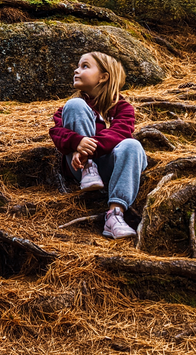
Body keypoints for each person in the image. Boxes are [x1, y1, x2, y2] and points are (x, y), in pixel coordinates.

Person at [49, 51, 147, 240]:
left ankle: (115, 215)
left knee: (132, 145)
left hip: (110, 167)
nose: (77, 71)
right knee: (75, 104)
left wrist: (88, 150)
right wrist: (77, 142)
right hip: (78, 166)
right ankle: (88, 169)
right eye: (78, 66)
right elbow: (56, 132)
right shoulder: (70, 108)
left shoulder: (122, 107)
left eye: (85, 66)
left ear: (103, 77)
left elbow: (120, 132)